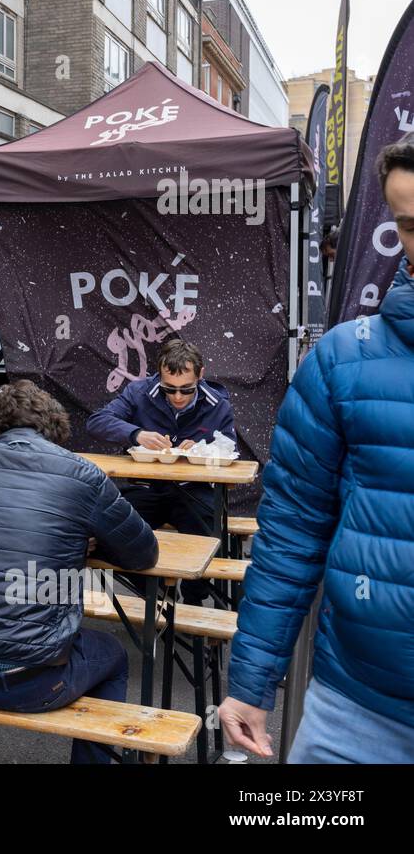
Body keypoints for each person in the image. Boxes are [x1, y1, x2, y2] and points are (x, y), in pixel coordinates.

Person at [218, 135, 414, 764]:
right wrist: (250, 682)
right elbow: (293, 530)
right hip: (357, 709)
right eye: (410, 226)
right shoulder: (343, 359)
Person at [0, 380, 157, 763]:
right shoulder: (84, 473)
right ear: (54, 425)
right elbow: (143, 553)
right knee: (114, 654)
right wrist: (77, 535)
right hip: (34, 680)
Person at [86, 339, 234, 604]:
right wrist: (136, 434)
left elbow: (229, 449)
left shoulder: (217, 403)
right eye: (169, 389)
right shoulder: (139, 392)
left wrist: (204, 449)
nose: (177, 397)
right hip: (146, 488)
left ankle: (194, 598)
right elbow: (96, 422)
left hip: (192, 491)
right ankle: (155, 592)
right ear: (158, 375)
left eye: (186, 389)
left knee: (211, 528)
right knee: (109, 529)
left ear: (201, 376)